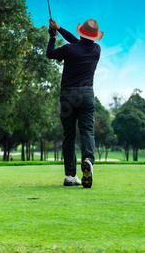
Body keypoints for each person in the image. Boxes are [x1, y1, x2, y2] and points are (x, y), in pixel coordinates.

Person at [46, 18, 103, 188]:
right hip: (87, 94)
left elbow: (50, 54)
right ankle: (87, 160)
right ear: (94, 37)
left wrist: (53, 36)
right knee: (87, 130)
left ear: (81, 33)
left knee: (69, 134)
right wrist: (59, 28)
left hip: (68, 94)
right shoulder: (96, 50)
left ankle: (70, 175)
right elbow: (78, 43)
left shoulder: (69, 49)